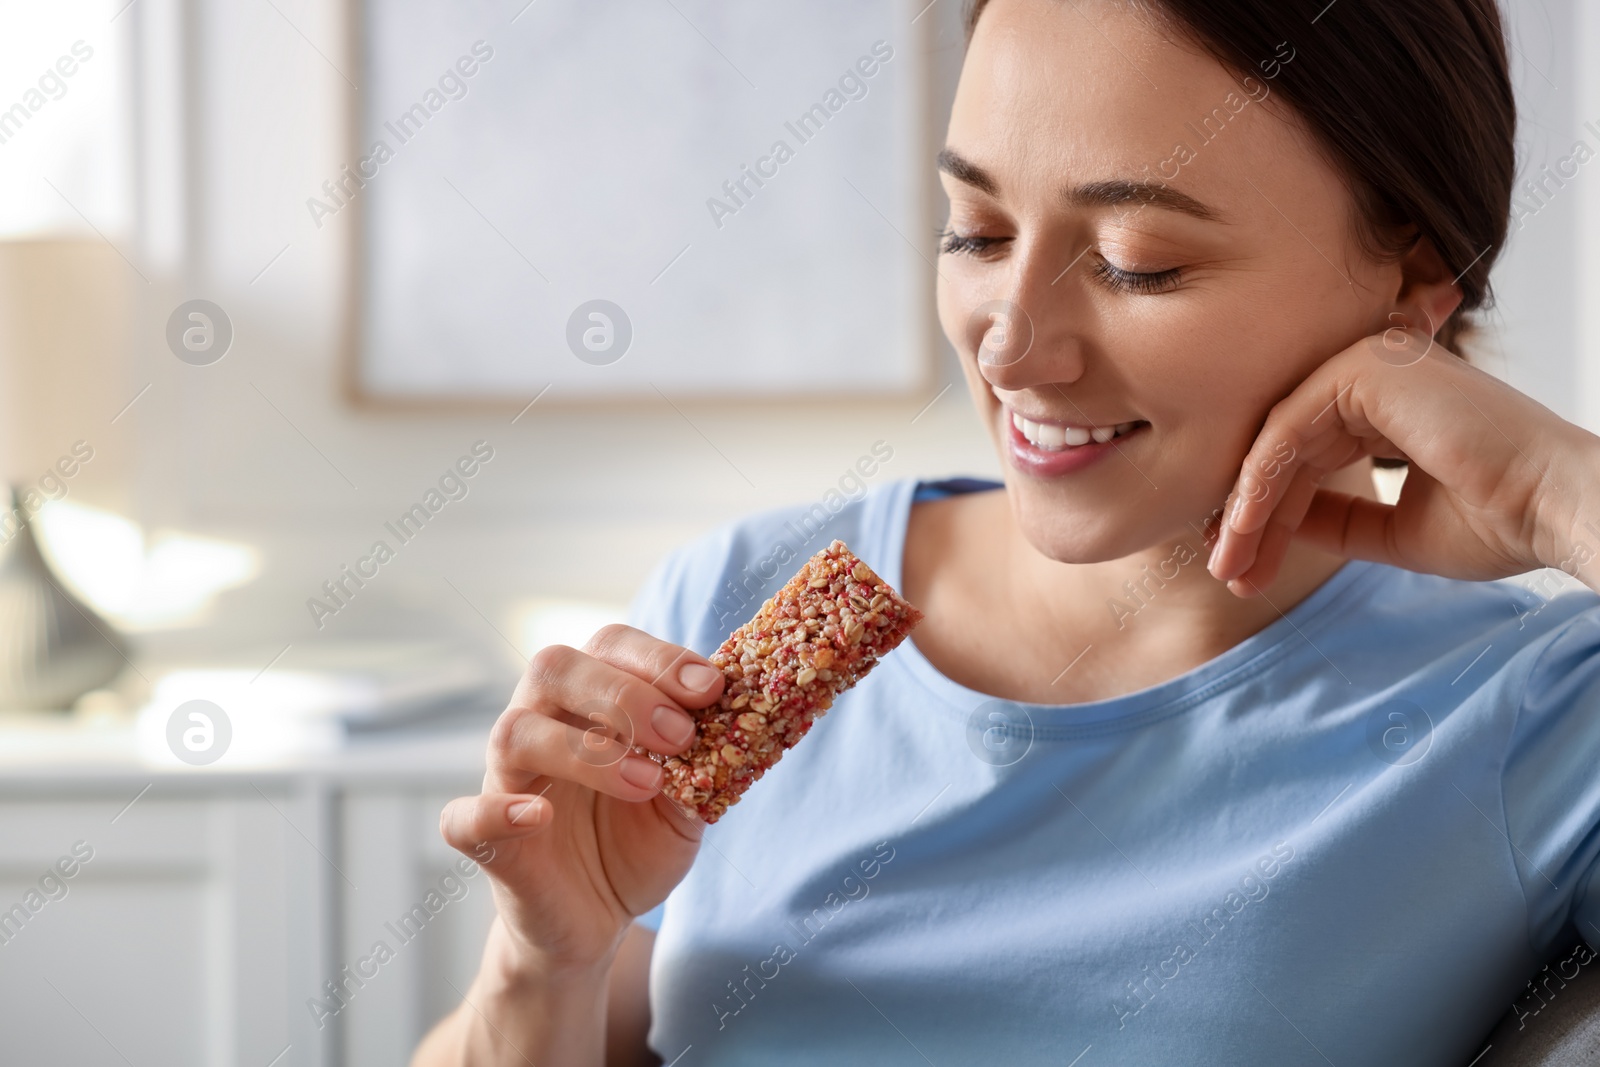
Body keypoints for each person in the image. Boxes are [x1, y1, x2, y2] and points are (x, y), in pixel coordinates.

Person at [413, 0, 1600, 1063]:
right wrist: (542, 959)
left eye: (1140, 262)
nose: (1006, 345)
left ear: (1411, 288)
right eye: (976, 232)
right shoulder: (730, 603)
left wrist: (1565, 494)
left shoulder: (1533, 713)